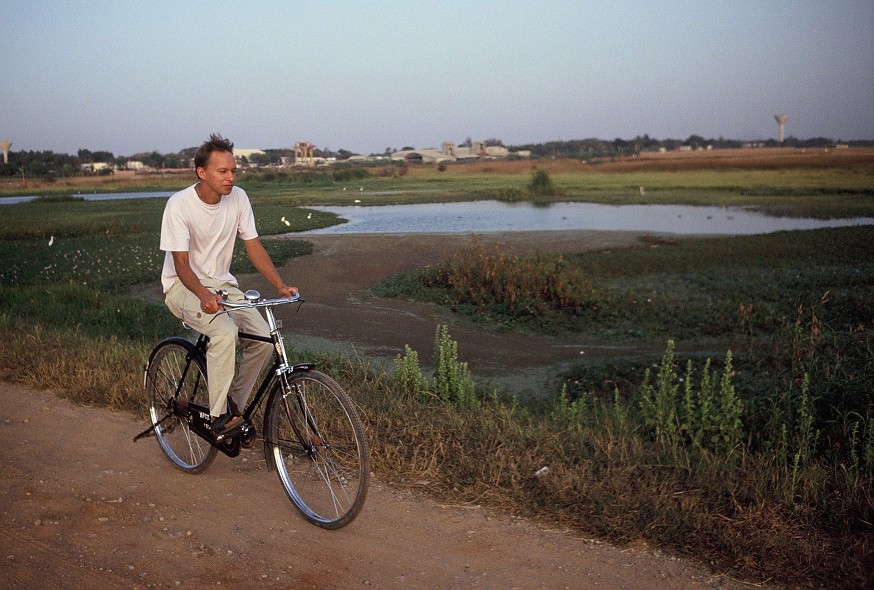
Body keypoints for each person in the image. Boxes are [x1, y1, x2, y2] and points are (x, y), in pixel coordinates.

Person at [160, 134, 297, 435]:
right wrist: (203, 294)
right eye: (223, 171)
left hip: (223, 285)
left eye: (233, 170)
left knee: (263, 339)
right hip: (183, 286)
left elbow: (253, 246)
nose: (230, 177)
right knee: (224, 331)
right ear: (202, 172)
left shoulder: (239, 198)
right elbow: (181, 265)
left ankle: (233, 408)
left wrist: (280, 285)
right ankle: (217, 416)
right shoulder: (179, 205)